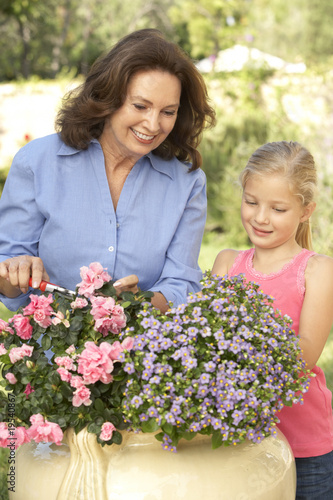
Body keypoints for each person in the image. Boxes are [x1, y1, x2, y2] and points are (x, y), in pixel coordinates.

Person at [0, 29, 215, 314]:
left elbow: (182, 284)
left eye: (168, 112)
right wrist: (15, 272)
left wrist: (140, 303)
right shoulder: (37, 162)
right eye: (140, 105)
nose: (153, 125)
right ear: (109, 98)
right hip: (48, 356)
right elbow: (9, 280)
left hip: (142, 354)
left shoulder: (187, 184)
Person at [212, 140, 333, 499]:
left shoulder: (317, 270)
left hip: (304, 446)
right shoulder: (226, 263)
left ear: (306, 210)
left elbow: (304, 355)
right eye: (251, 202)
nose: (260, 217)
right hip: (237, 440)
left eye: (278, 208)